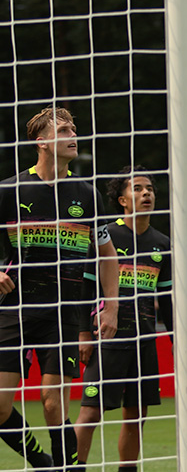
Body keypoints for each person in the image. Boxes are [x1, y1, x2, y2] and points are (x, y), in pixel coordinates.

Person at [0, 107, 119, 470]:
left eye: (74, 128)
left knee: (53, 403)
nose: (73, 134)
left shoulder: (87, 193)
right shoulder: (9, 190)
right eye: (64, 129)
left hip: (63, 313)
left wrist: (111, 306)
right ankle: (43, 462)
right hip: (14, 308)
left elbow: (107, 254)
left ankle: (70, 469)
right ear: (42, 142)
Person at [75, 165, 173, 472]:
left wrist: (175, 340)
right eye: (138, 189)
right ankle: (70, 467)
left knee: (136, 415)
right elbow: (85, 290)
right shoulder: (108, 237)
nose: (146, 194)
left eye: (150, 189)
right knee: (90, 414)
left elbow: (167, 300)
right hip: (107, 340)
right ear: (122, 200)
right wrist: (83, 334)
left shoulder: (163, 243)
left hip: (143, 342)